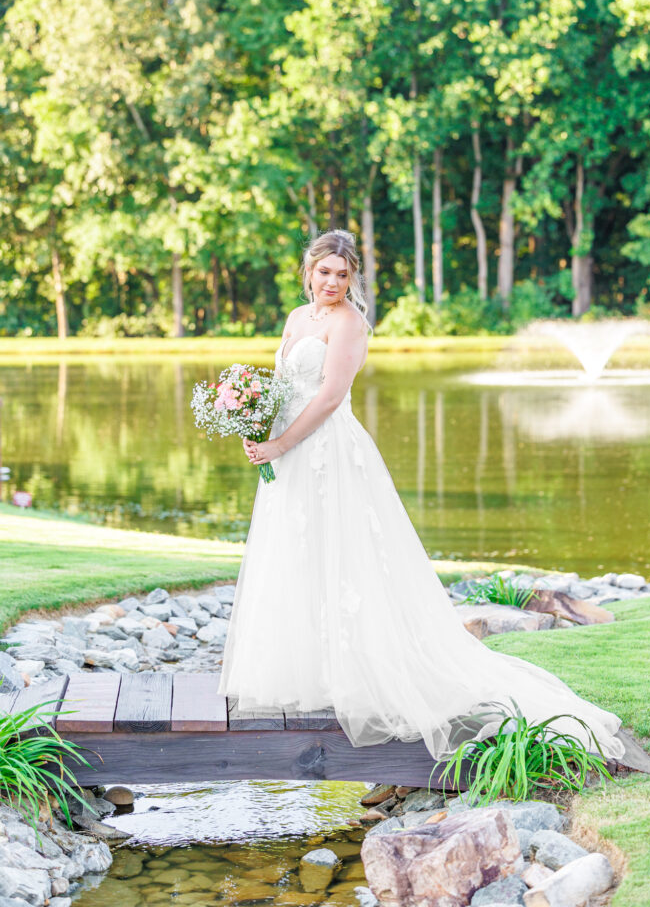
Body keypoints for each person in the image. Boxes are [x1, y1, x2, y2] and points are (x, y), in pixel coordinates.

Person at [216, 229, 624, 764]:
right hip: (286, 452)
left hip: (325, 453)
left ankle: (362, 673)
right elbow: (281, 386)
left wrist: (282, 443)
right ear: (308, 271)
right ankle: (307, 671)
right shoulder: (298, 319)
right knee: (296, 555)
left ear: (352, 277)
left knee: (343, 556)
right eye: (324, 272)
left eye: (343, 274)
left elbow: (331, 397)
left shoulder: (351, 324)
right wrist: (256, 424)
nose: (333, 283)